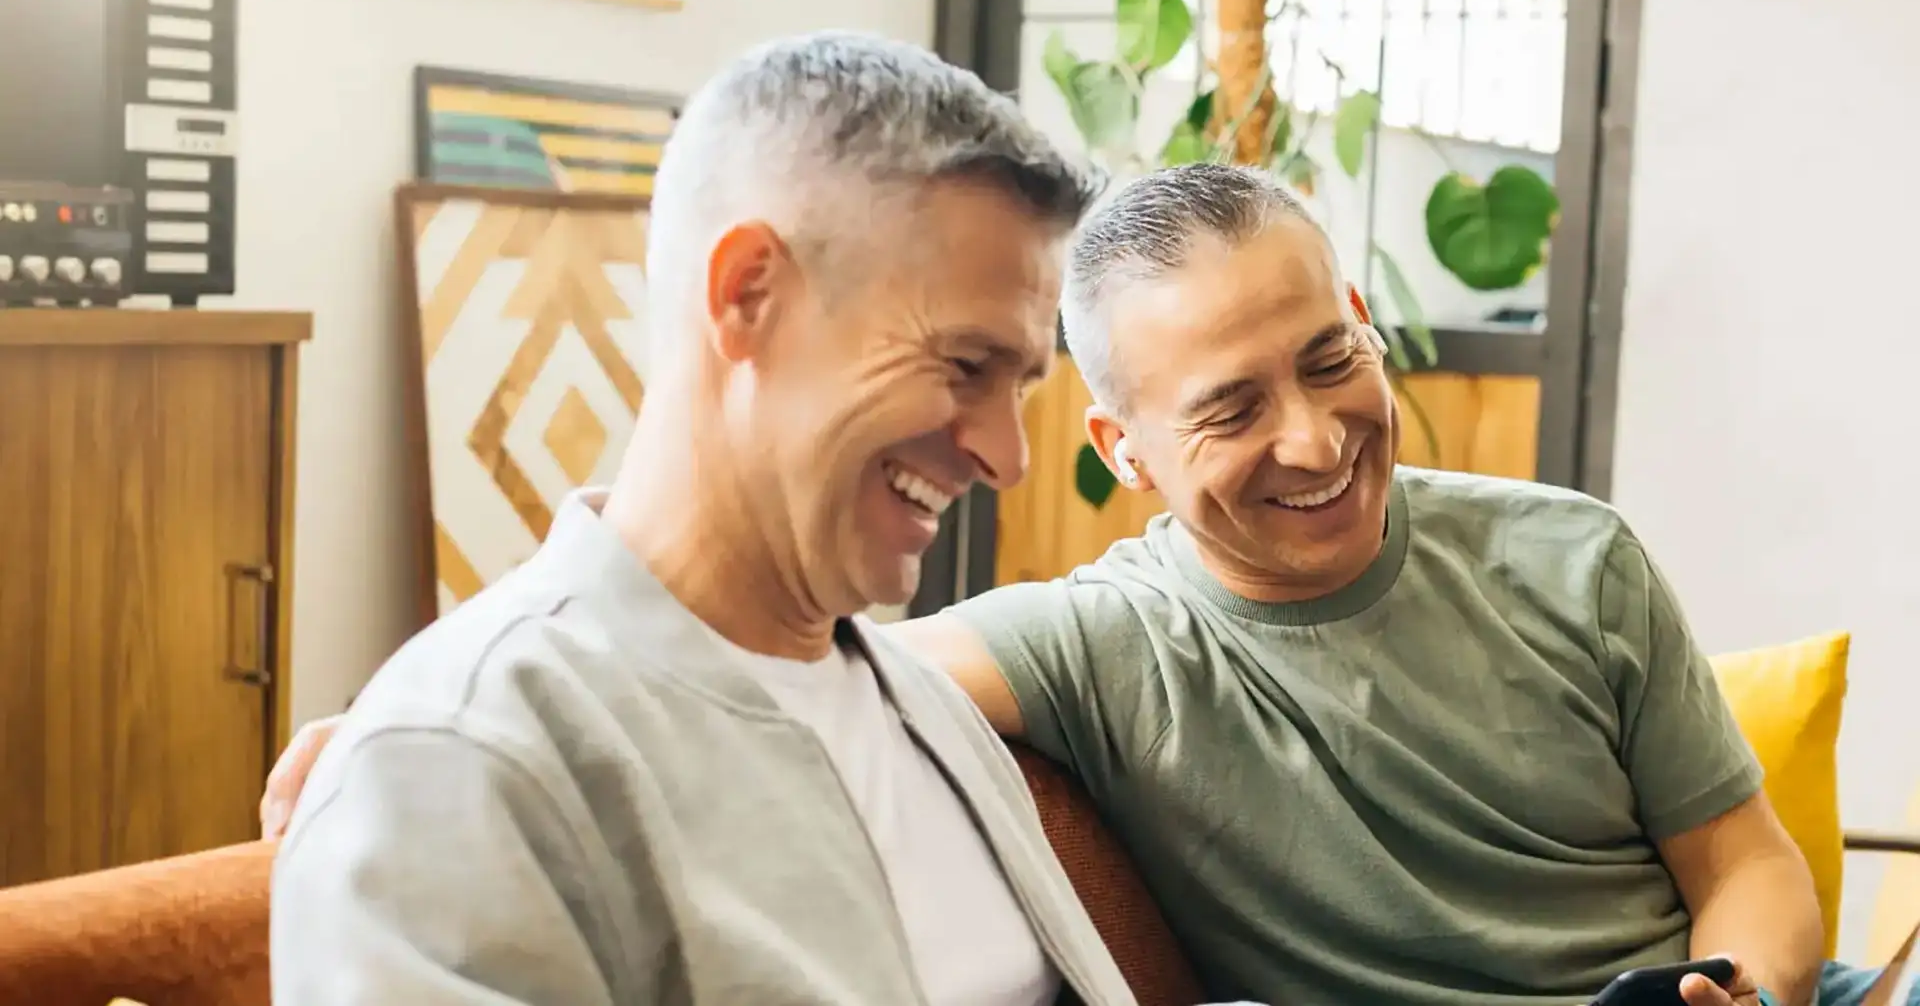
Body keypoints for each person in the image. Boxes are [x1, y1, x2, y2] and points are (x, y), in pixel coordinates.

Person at [265, 162, 1902, 1006]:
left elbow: (1747, 864)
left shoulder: (1571, 556)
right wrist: (424, 711)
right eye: (1232, 409)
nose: (1318, 438)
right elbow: (791, 667)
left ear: (1361, 317)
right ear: (1117, 445)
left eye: (1330, 360)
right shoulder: (1107, 646)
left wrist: (1741, 995)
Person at [267, 31, 1151, 1006]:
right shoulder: (460, 764)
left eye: (1021, 384)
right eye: (965, 367)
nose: (1008, 456)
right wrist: (429, 742)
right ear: (747, 295)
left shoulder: (927, 711)